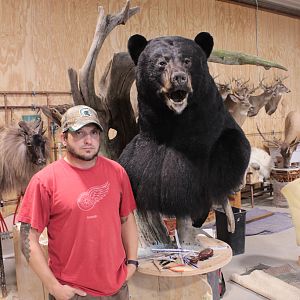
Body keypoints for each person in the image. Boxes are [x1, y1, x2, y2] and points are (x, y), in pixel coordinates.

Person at [17, 105, 139, 300]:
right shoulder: (45, 181)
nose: (88, 140)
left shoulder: (117, 172)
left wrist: (132, 263)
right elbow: (27, 238)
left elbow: (127, 218)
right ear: (64, 138)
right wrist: (55, 288)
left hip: (117, 290)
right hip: (73, 294)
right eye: (79, 133)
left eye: (93, 132)